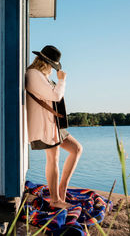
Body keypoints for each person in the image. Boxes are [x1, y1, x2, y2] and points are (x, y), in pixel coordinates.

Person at [25, 45, 83, 209]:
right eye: (52, 65)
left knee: (76, 149)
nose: (53, 69)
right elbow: (56, 96)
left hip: (54, 125)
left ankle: (61, 188)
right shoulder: (33, 74)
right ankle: (56, 200)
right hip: (45, 126)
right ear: (47, 62)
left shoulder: (40, 75)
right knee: (53, 159)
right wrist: (62, 80)